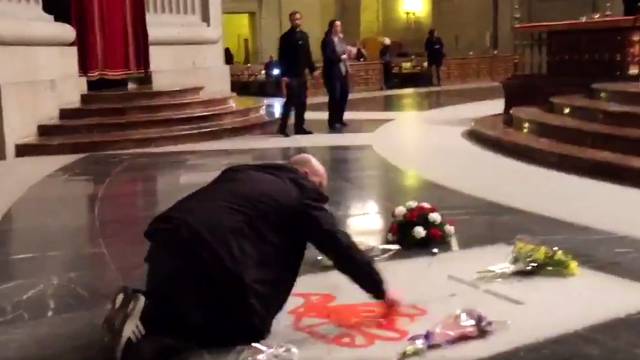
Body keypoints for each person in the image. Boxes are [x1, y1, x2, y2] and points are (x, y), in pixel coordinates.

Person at [102, 154, 400, 360]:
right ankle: (155, 338)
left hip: (168, 242)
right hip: (213, 260)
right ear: (306, 175)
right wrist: (379, 289)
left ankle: (147, 310)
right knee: (247, 327)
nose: (320, 195)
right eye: (319, 186)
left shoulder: (242, 172)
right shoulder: (300, 193)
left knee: (181, 299)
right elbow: (338, 245)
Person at [277, 11, 318, 137]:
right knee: (290, 101)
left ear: (301, 20)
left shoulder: (304, 36)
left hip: (301, 74)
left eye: (298, 19)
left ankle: (299, 127)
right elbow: (282, 57)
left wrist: (312, 69)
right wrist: (284, 75)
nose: (296, 21)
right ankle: (283, 126)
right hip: (291, 75)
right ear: (290, 21)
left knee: (302, 102)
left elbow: (307, 55)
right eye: (294, 19)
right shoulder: (285, 37)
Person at [321, 20, 351, 131]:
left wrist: (347, 57)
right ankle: (332, 121)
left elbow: (345, 52)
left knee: (344, 94)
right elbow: (328, 56)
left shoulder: (340, 40)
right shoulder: (327, 41)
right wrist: (340, 58)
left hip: (342, 71)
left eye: (340, 25)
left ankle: (339, 118)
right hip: (332, 72)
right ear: (332, 28)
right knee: (335, 96)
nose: (339, 28)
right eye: (337, 26)